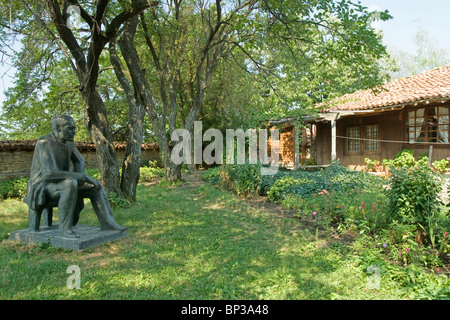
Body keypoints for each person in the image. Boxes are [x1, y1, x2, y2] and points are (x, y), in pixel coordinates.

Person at [24, 115, 126, 238]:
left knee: (95, 186)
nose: (74, 131)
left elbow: (79, 160)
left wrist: (80, 180)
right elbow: (48, 174)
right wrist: (79, 177)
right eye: (70, 128)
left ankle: (107, 223)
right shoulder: (45, 142)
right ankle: (65, 230)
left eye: (74, 128)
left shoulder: (69, 142)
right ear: (58, 128)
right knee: (70, 183)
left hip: (61, 182)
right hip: (42, 185)